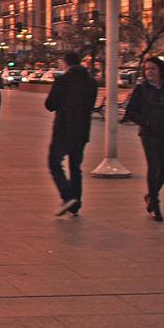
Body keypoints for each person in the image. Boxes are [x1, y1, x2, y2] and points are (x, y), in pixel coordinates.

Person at [123, 56, 164, 221]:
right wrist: (146, 122)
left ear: (160, 70)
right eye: (147, 69)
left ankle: (151, 194)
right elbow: (131, 112)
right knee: (154, 166)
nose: (150, 72)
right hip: (149, 134)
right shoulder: (141, 89)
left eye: (153, 68)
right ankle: (155, 204)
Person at [45, 50, 95, 217]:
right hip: (82, 129)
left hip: (64, 128)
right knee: (75, 166)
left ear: (65, 63)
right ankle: (75, 204)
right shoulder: (91, 82)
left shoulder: (62, 80)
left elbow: (50, 104)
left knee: (54, 162)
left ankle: (68, 196)